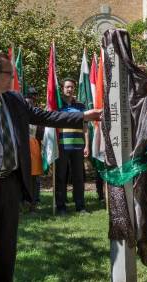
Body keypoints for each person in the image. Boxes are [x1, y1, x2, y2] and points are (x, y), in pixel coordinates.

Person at [0, 51, 101, 282]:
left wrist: (83, 117)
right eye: (9, 74)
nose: (13, 78)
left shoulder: (14, 99)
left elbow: (45, 117)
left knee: (7, 255)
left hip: (10, 187)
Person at [55, 78, 90, 214]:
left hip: (78, 146)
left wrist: (87, 145)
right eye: (67, 87)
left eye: (72, 87)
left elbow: (85, 127)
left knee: (79, 177)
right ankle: (61, 206)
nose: (70, 89)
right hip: (62, 146)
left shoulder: (81, 106)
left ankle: (80, 206)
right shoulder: (58, 105)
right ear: (62, 89)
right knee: (61, 176)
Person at [25, 86, 44, 211]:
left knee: (35, 177)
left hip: (35, 147)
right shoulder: (18, 112)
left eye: (33, 97)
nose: (31, 100)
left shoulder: (37, 112)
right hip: (22, 148)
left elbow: (41, 132)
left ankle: (34, 201)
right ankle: (23, 201)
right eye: (29, 98)